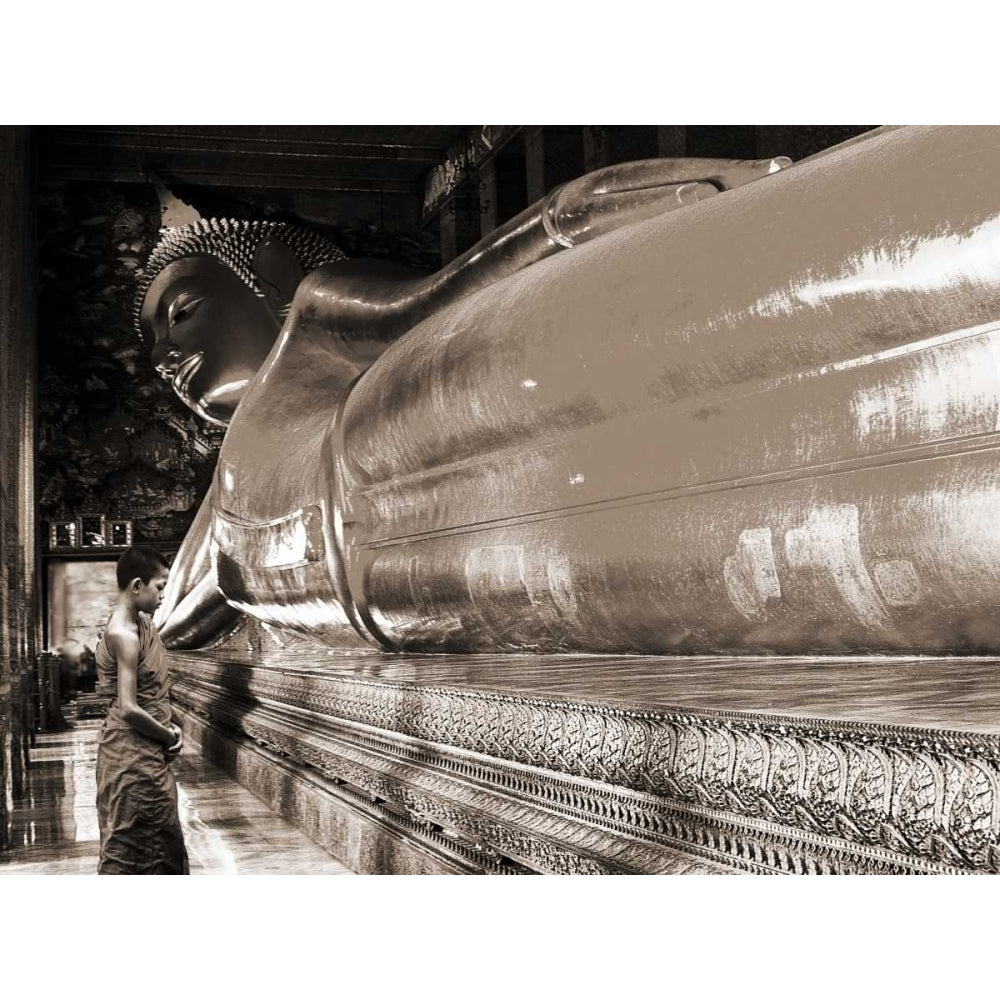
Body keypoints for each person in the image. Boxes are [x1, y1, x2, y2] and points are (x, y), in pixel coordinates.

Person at [94, 545, 188, 875]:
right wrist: (170, 736)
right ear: (137, 586)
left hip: (146, 750)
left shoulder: (141, 622)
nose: (164, 595)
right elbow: (130, 708)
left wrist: (168, 727)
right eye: (160, 587)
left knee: (161, 839)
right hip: (131, 753)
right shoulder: (125, 634)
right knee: (130, 841)